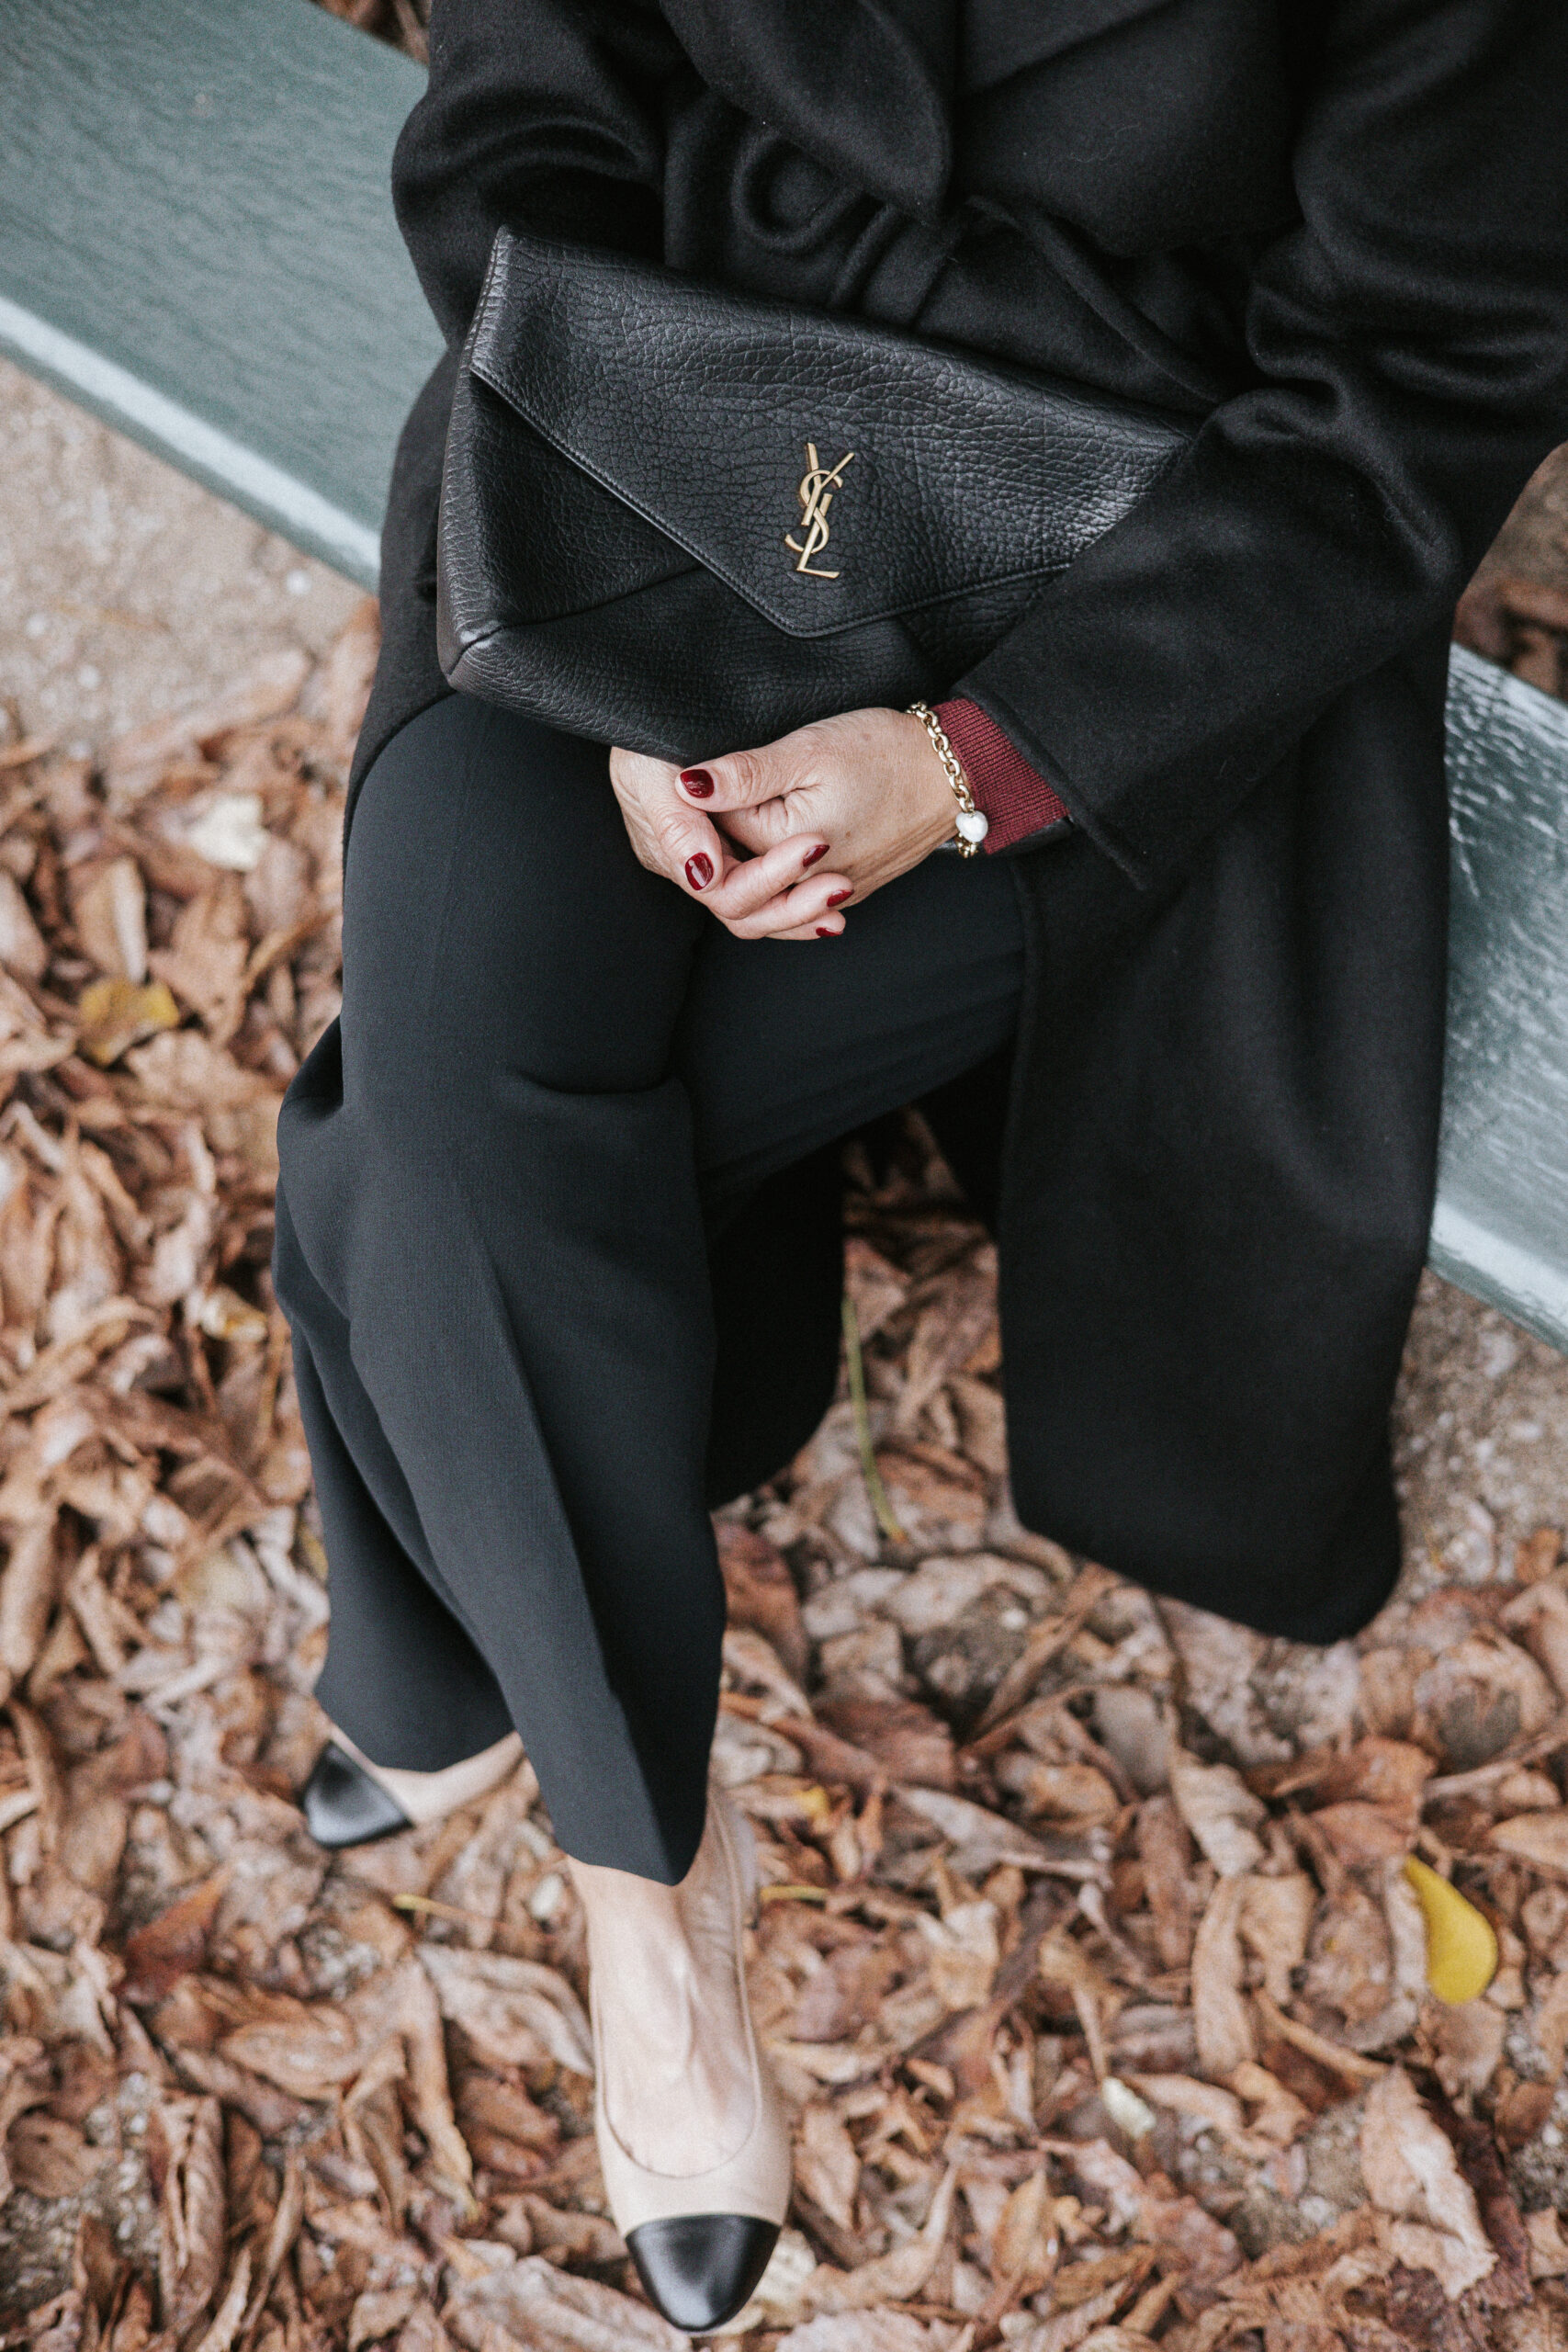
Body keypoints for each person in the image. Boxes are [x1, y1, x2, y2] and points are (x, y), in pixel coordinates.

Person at [274, 0, 1568, 2328]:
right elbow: (520, 117)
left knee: (438, 1126)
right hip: (643, 434)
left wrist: (973, 762)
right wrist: (599, 568)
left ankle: (442, 1657)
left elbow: (1421, 382)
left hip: (1117, 563)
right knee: (467, 1037)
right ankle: (651, 1893)